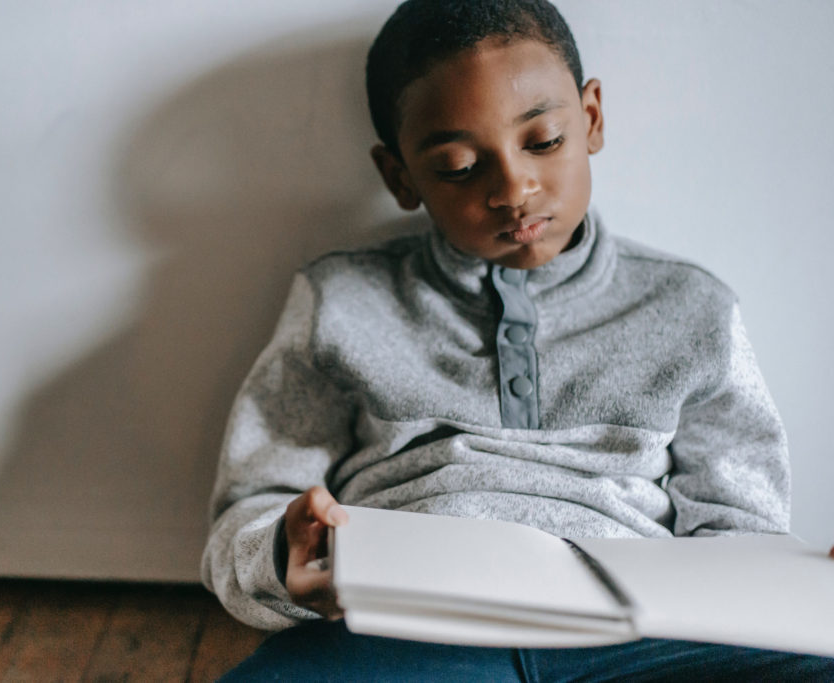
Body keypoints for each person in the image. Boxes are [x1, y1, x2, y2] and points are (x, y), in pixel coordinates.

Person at [200, 0, 834, 679]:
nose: (514, 188)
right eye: (458, 166)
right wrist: (281, 551)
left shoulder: (692, 307)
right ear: (401, 177)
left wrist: (791, 581)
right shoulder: (341, 302)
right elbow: (250, 510)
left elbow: (738, 527)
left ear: (590, 118)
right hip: (407, 626)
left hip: (645, 634)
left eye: (542, 141)